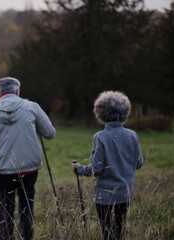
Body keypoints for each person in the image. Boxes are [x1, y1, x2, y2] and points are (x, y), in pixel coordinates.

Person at [0, 77, 56, 240]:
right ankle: (26, 236)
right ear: (18, 91)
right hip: (28, 170)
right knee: (26, 209)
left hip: (1, 173)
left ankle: (4, 236)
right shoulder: (32, 108)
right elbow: (50, 133)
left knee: (3, 216)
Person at [71, 91, 144, 240]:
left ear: (100, 112)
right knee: (118, 230)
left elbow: (96, 169)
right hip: (125, 194)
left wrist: (79, 169)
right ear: (125, 112)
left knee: (108, 234)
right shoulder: (132, 135)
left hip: (106, 197)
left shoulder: (100, 137)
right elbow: (139, 163)